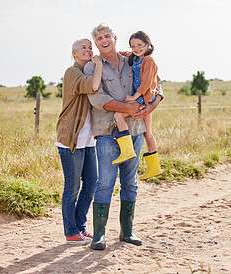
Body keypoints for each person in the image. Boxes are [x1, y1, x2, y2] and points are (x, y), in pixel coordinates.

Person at [83, 23, 163, 250]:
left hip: (136, 130)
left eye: (107, 35)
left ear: (115, 38)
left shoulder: (133, 59)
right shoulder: (92, 67)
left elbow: (156, 82)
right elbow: (98, 99)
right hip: (108, 133)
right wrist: (130, 108)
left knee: (130, 182)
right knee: (105, 182)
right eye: (99, 38)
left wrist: (151, 105)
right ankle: (99, 235)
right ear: (96, 44)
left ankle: (126, 232)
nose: (104, 40)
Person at [55, 38, 103, 244]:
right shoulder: (72, 72)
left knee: (91, 183)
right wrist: (100, 63)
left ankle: (80, 227)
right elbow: (93, 87)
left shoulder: (90, 70)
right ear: (74, 53)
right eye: (83, 47)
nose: (88, 49)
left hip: (88, 139)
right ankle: (71, 232)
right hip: (71, 138)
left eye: (89, 47)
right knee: (72, 186)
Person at [113, 31, 162, 181]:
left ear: (148, 45)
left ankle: (127, 150)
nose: (136, 48)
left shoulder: (148, 60)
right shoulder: (135, 57)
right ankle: (154, 168)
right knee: (148, 132)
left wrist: (135, 96)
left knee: (118, 115)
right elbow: (121, 53)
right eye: (133, 46)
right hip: (146, 98)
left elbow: (147, 82)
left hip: (143, 97)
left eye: (139, 45)